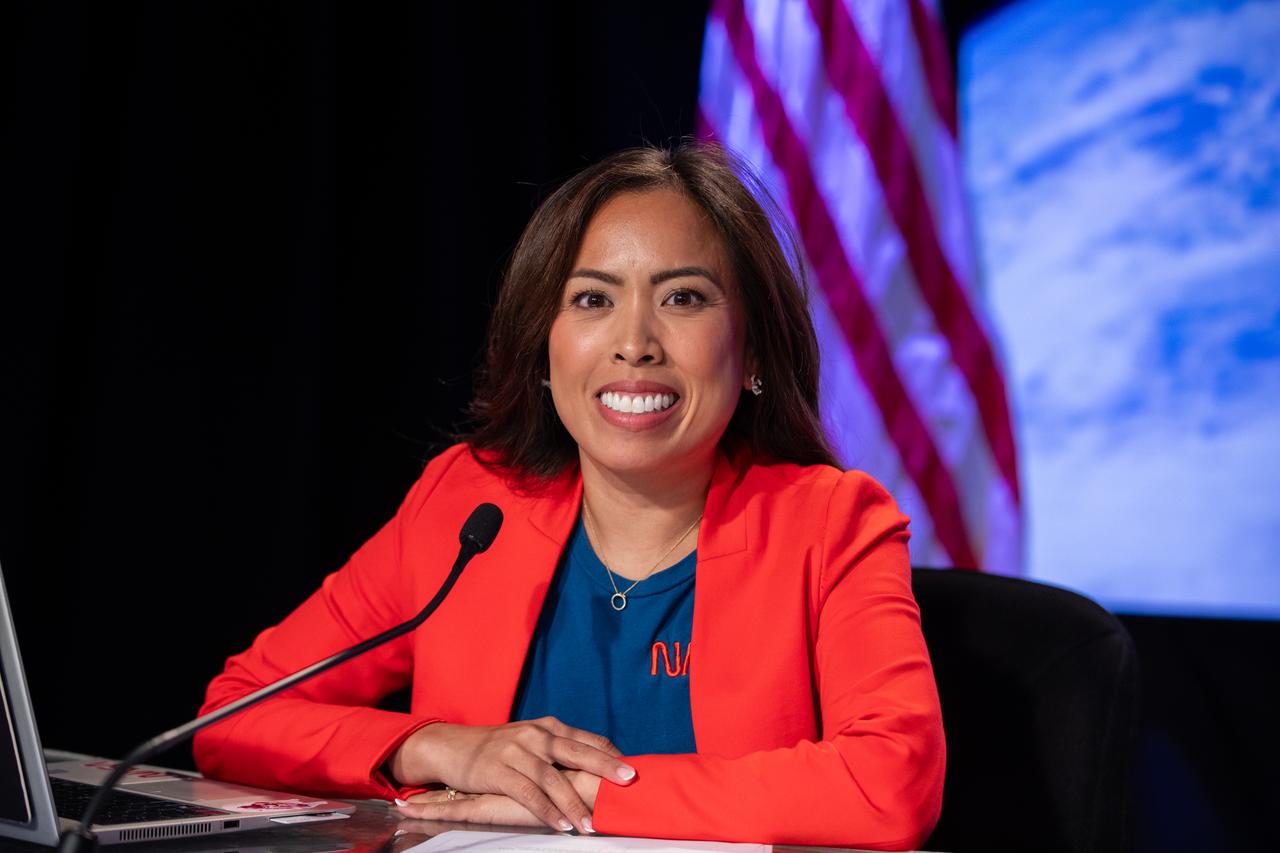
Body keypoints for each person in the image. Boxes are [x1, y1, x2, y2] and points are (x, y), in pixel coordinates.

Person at [193, 141, 945, 848]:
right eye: (592, 300)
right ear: (545, 347)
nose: (634, 342)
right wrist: (442, 746)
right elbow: (236, 711)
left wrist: (583, 796)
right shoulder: (466, 503)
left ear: (751, 351)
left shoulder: (833, 523)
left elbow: (891, 781)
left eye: (683, 298)